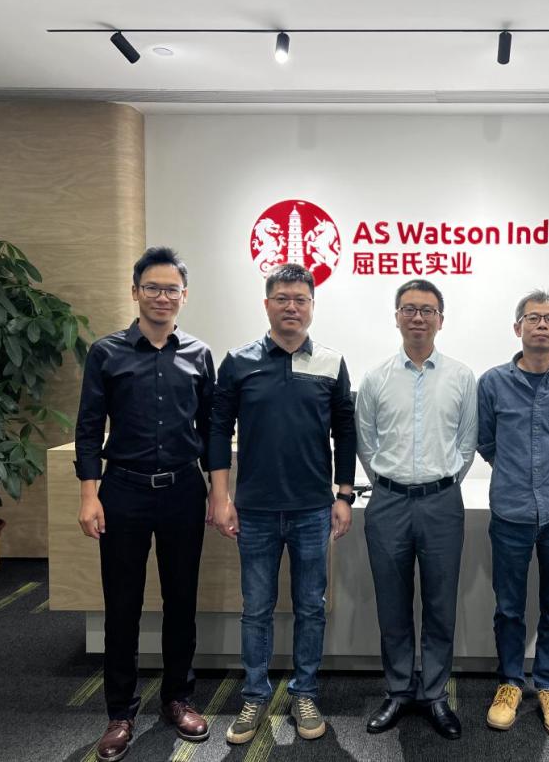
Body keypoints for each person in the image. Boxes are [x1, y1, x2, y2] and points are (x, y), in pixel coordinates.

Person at [75, 247, 214, 762]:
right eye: (152, 287)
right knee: (122, 605)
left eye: (171, 289)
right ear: (135, 291)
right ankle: (120, 713)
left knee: (181, 599)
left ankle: (178, 699)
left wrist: (217, 491)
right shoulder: (106, 352)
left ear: (184, 295)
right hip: (124, 491)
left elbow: (211, 429)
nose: (162, 296)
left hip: (182, 490)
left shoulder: (199, 354)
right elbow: (89, 428)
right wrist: (89, 495)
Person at [209, 263, 356, 744]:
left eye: (301, 299)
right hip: (255, 509)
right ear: (267, 304)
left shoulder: (331, 362)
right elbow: (217, 430)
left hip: (313, 508)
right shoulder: (239, 361)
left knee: (311, 606)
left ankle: (304, 692)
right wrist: (220, 495)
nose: (291, 307)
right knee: (256, 608)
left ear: (312, 306)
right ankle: (254, 695)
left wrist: (344, 494)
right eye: (282, 298)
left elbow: (345, 432)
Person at [356, 279, 477, 740]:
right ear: (397, 317)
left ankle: (435, 694)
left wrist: (441, 483)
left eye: (427, 310)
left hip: (442, 502)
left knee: (441, 603)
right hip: (388, 501)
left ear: (441, 320)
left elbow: (467, 442)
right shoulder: (376, 378)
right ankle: (399, 690)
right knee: (392, 603)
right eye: (409, 309)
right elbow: (366, 443)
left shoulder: (462, 377)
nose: (418, 317)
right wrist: (390, 483)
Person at [477, 290, 549, 736]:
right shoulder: (492, 383)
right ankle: (509, 683)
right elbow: (485, 441)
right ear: (518, 327)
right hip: (510, 513)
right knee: (508, 608)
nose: (541, 324)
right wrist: (517, 475)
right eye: (533, 317)